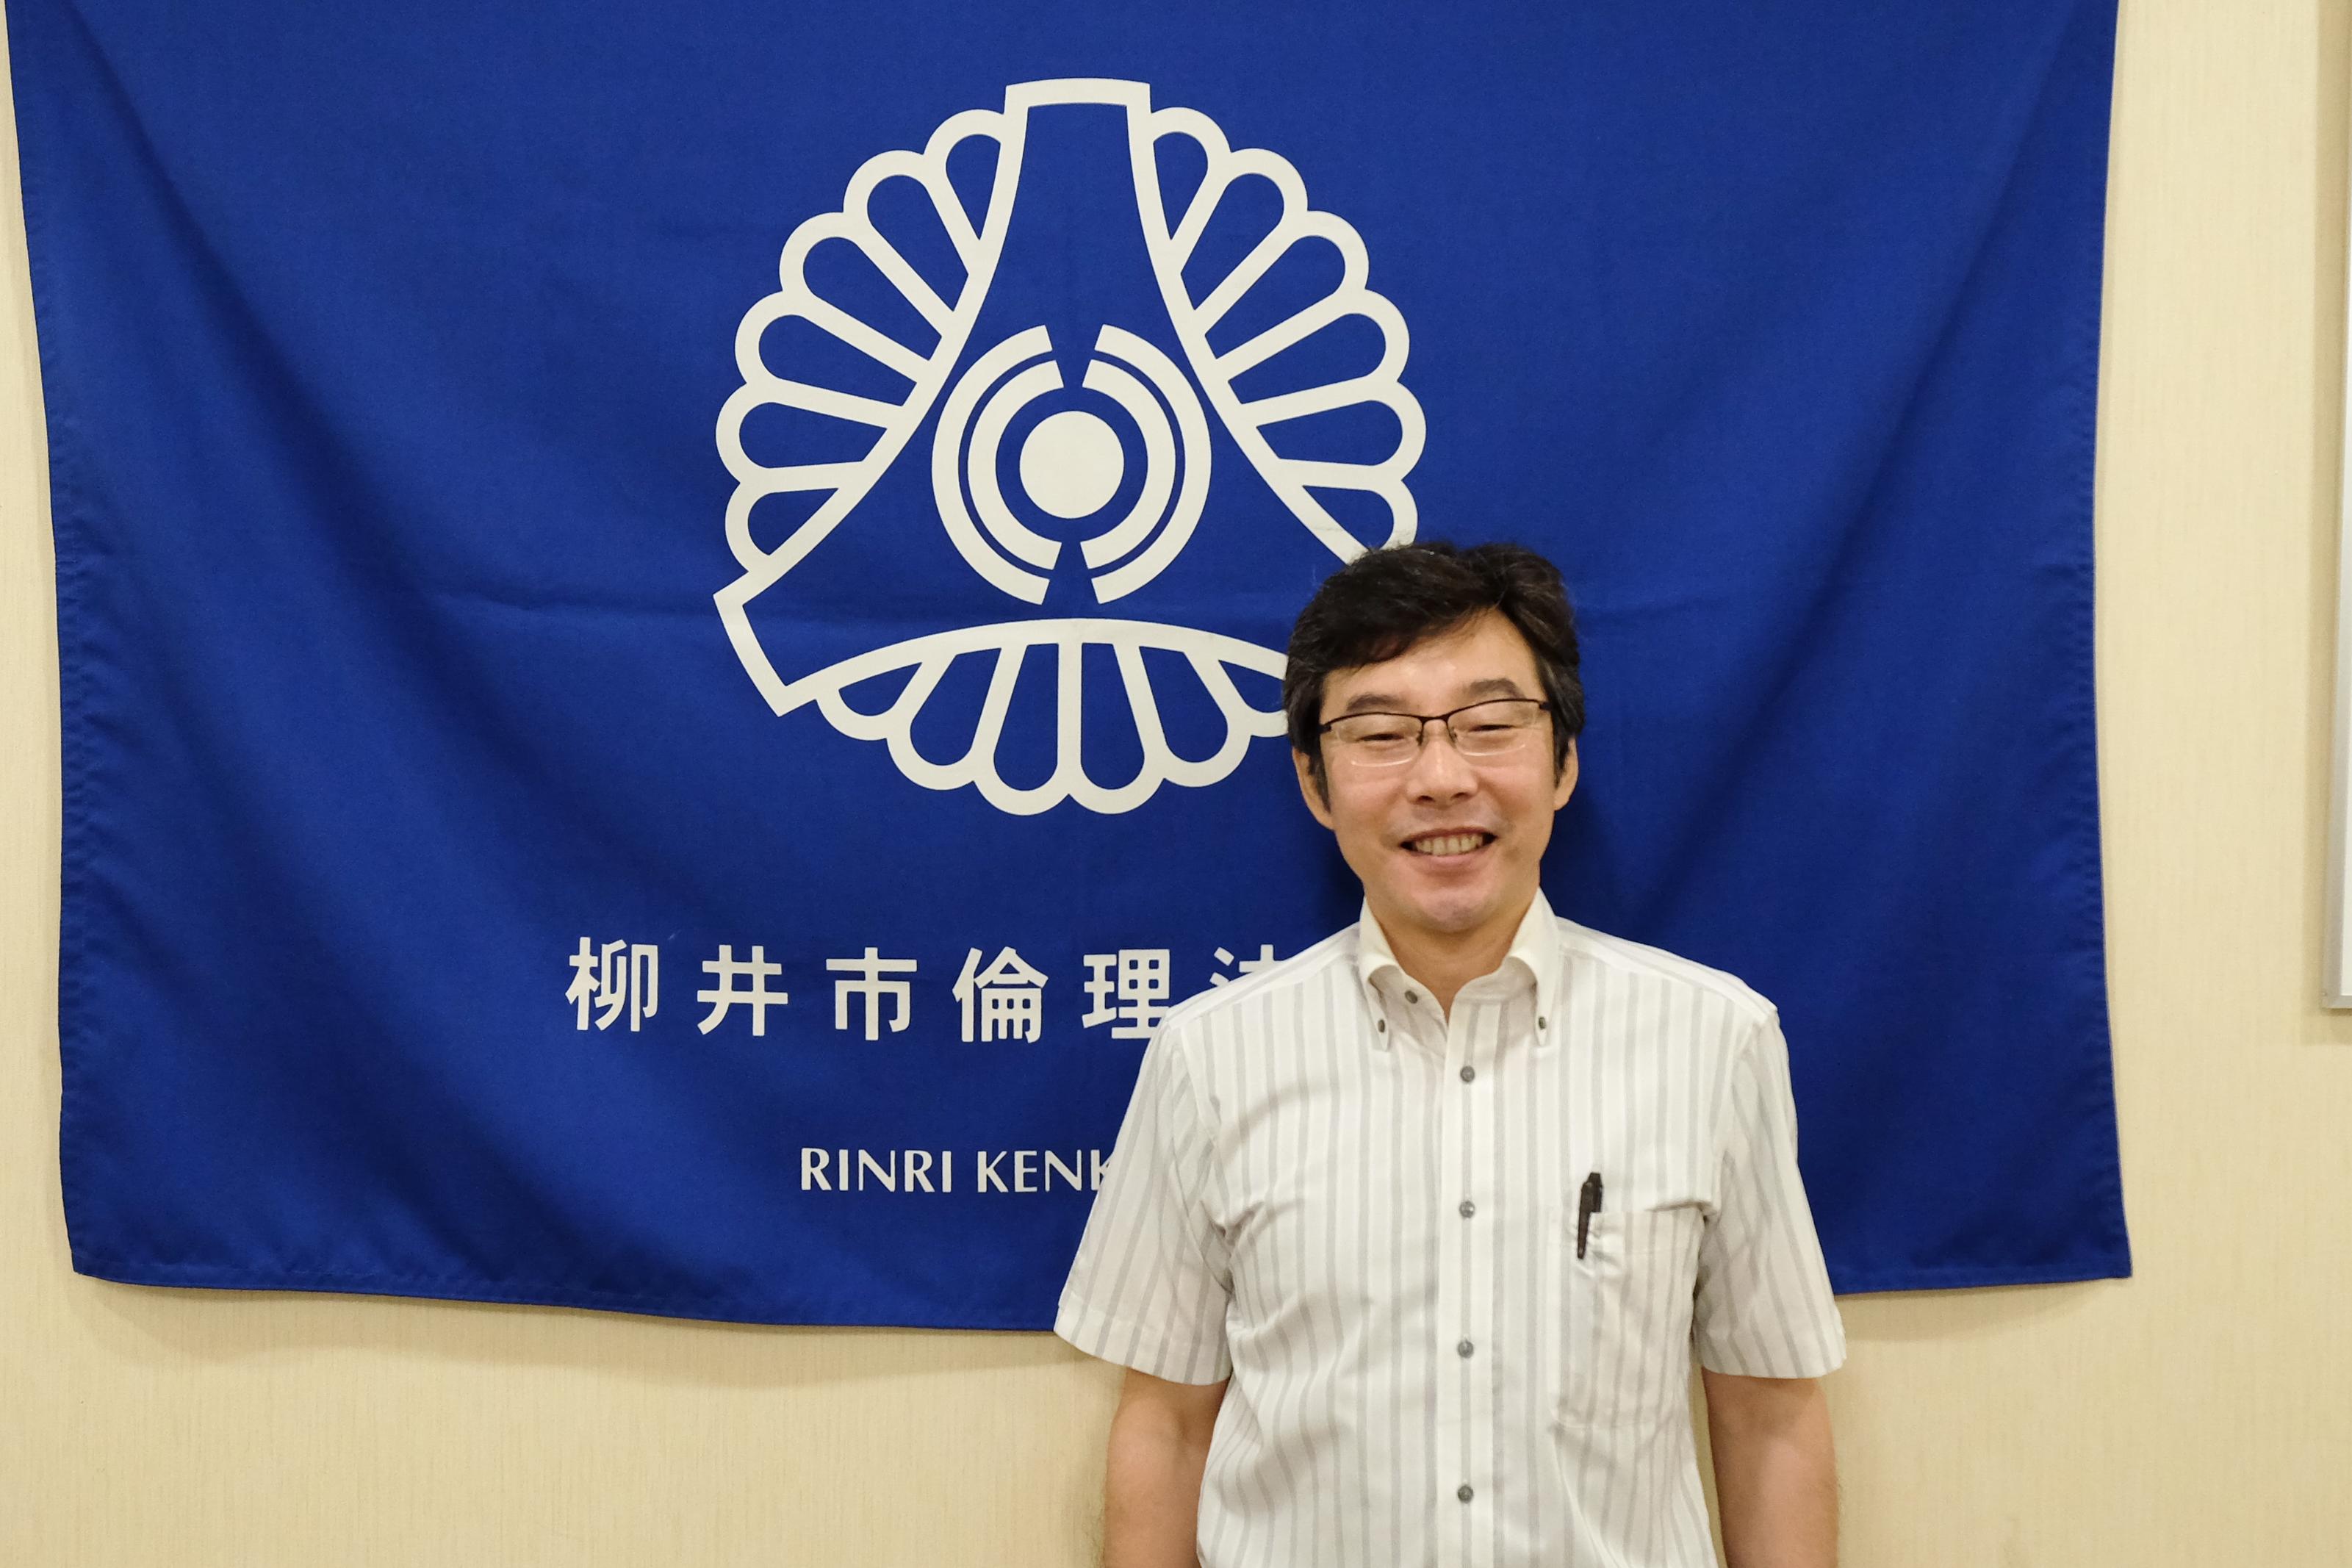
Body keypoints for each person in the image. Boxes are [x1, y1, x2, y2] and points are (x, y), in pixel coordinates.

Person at [1054, 541, 1845, 1568]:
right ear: (1313, 780)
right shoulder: (1209, 1056)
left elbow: (1768, 1413)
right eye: (1381, 734)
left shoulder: (1713, 1039)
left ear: (1562, 761)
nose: (1440, 778)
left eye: (1490, 724)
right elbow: (1165, 1425)